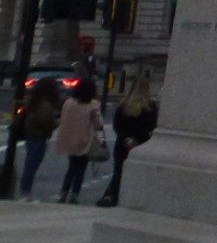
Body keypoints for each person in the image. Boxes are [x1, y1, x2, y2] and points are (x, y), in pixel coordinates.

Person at [100, 71, 159, 207]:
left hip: (122, 143)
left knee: (119, 172)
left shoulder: (123, 105)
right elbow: (151, 126)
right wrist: (136, 139)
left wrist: (126, 138)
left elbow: (117, 125)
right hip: (140, 144)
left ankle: (112, 196)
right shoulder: (150, 106)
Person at [53, 78, 103, 205]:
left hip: (70, 139)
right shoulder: (93, 105)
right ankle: (74, 194)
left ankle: (63, 193)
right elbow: (98, 124)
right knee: (80, 169)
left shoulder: (69, 103)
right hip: (85, 140)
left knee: (71, 168)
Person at [18, 78, 62, 198]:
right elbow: (46, 122)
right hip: (39, 136)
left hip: (31, 135)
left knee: (29, 164)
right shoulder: (45, 105)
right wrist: (57, 123)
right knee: (32, 165)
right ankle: (25, 192)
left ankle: (25, 190)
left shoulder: (33, 101)